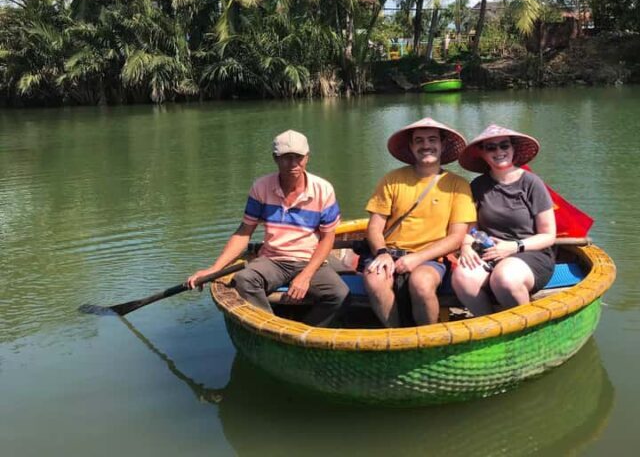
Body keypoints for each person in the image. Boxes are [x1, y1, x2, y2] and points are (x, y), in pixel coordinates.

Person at [187, 130, 348, 327]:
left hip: (309, 259)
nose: (293, 164)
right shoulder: (261, 187)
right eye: (286, 158)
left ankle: (306, 330)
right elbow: (244, 232)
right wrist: (214, 269)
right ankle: (273, 327)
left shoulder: (323, 189)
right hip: (273, 259)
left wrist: (305, 276)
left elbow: (327, 239)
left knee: (340, 294)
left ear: (307, 157)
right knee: (244, 280)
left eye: (298, 157)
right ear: (275, 158)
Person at [362, 117, 476, 327]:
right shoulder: (392, 179)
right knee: (374, 280)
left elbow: (456, 237)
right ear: (411, 146)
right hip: (390, 252)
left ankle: (427, 338)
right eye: (419, 140)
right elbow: (375, 227)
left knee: (421, 283)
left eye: (432, 140)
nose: (426, 145)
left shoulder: (458, 185)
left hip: (431, 257)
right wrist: (382, 253)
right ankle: (396, 337)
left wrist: (417, 258)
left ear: (442, 145)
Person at [451, 124, 556, 316]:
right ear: (482, 154)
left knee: (504, 278)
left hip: (530, 253)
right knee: (462, 277)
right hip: (489, 253)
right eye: (491, 147)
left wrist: (513, 246)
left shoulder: (532, 183)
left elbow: (549, 235)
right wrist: (466, 246)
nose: (499, 151)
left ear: (513, 149)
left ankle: (526, 326)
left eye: (504, 145)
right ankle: (490, 327)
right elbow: (471, 229)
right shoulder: (478, 186)